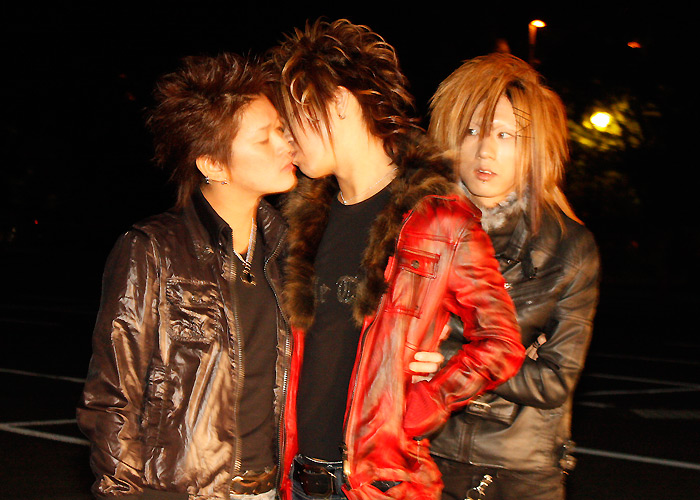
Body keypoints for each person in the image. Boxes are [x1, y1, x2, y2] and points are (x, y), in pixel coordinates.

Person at [267, 19, 525, 500]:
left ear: (339, 103)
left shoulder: (438, 221)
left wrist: (425, 401)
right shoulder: (299, 224)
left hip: (378, 485)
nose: (286, 139)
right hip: (295, 480)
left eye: (291, 119)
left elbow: (501, 341)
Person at [77, 53, 297, 499]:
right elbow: (113, 397)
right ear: (213, 165)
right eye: (264, 138)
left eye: (281, 130)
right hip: (183, 490)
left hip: (274, 489)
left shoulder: (289, 250)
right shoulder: (152, 249)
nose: (286, 145)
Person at [427, 53, 601, 500]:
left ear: (533, 148)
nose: (485, 150)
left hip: (518, 470)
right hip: (422, 451)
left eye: (505, 135)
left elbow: (553, 380)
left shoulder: (567, 248)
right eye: (472, 131)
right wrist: (507, 355)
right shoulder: (419, 227)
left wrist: (446, 353)